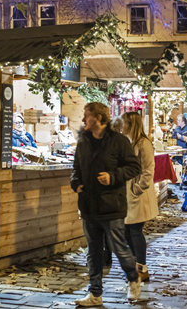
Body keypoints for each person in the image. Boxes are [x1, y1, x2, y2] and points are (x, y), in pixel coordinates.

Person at [71, 103, 142, 306]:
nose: (83, 119)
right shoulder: (83, 141)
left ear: (99, 118)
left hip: (111, 206)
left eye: (87, 115)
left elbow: (134, 167)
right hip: (89, 206)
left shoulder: (118, 141)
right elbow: (76, 168)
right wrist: (76, 183)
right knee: (93, 253)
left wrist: (113, 176)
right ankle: (95, 294)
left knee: (119, 248)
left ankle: (133, 278)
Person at [117, 112, 159, 283]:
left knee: (135, 231)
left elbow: (148, 169)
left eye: (124, 123)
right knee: (127, 231)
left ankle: (141, 269)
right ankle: (135, 267)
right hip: (127, 193)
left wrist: (138, 188)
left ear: (131, 124)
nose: (121, 126)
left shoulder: (143, 143)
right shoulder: (128, 142)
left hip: (137, 194)